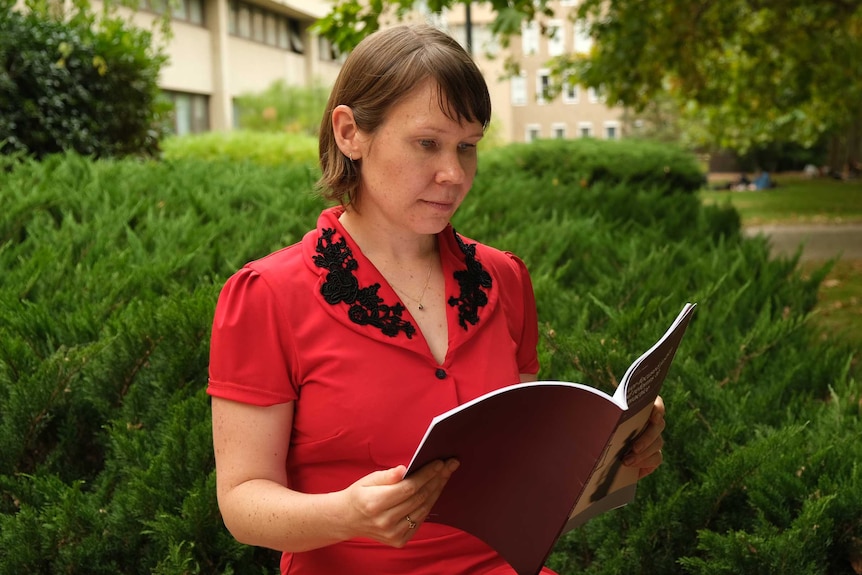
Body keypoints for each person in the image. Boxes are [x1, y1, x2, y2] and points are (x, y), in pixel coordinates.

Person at [208, 24, 667, 575]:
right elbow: (241, 502)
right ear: (350, 132)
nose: (453, 174)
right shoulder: (267, 295)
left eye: (467, 147)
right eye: (427, 143)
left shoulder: (504, 279)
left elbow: (525, 477)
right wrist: (346, 514)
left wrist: (613, 458)